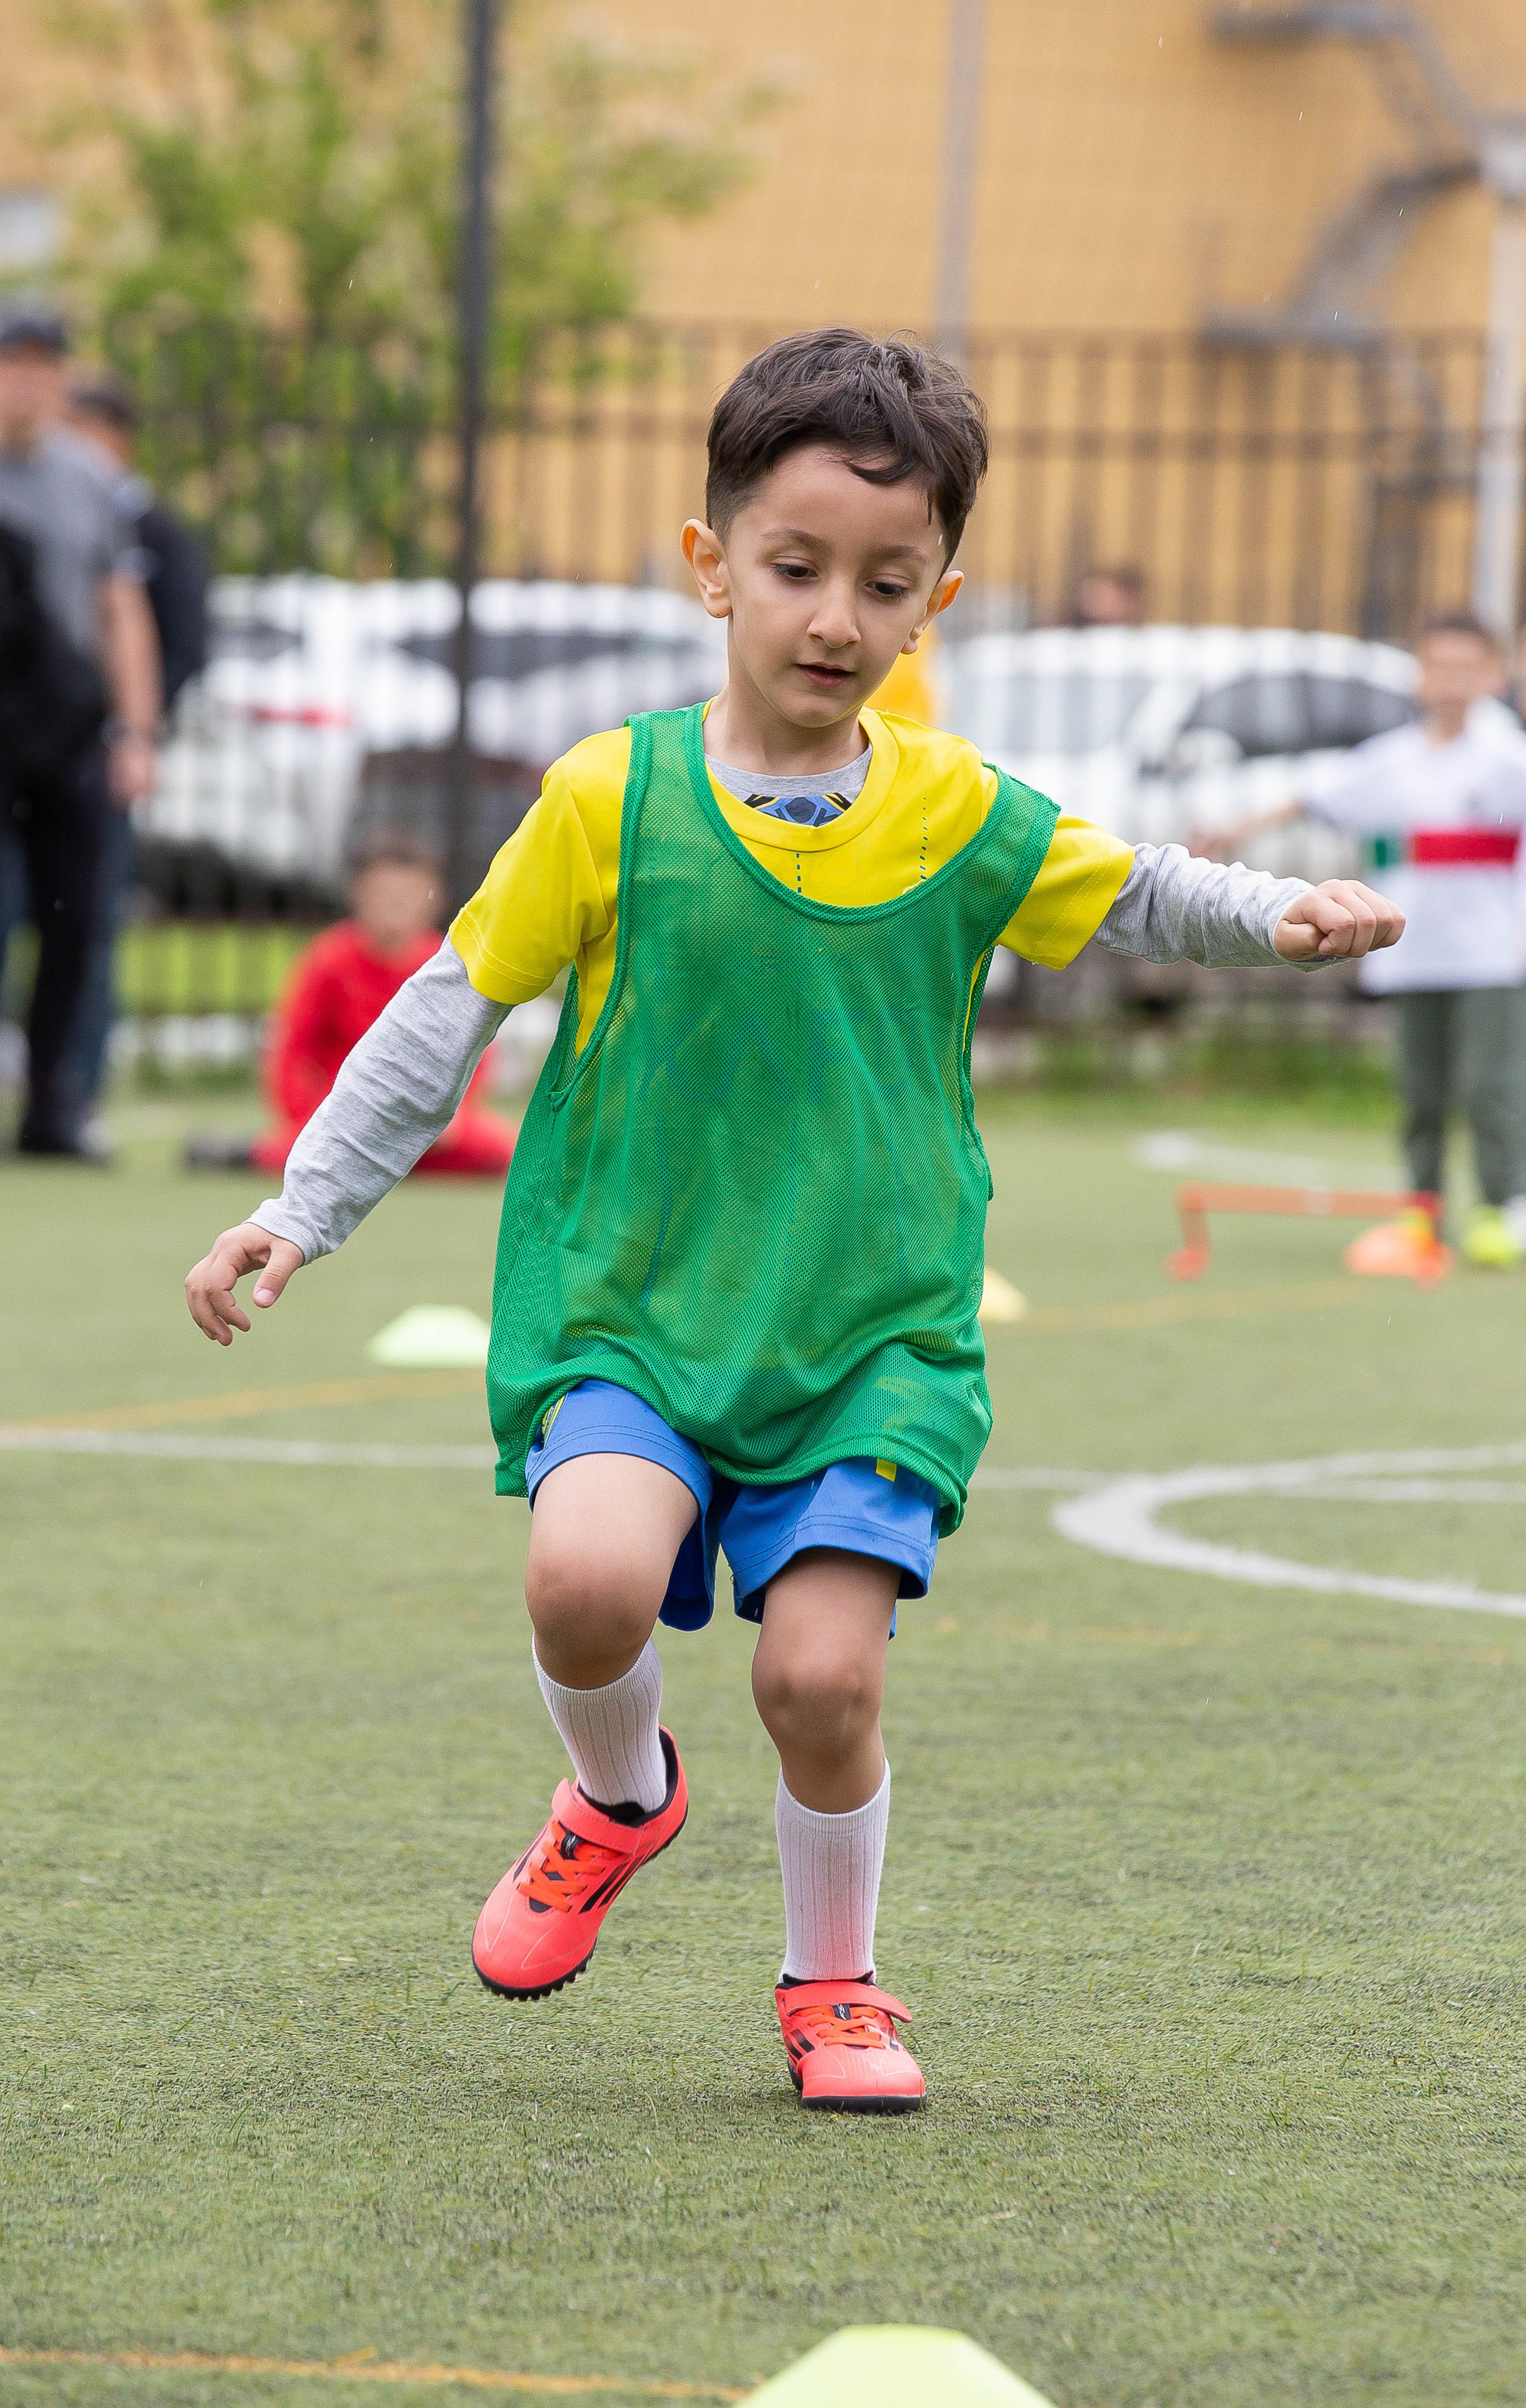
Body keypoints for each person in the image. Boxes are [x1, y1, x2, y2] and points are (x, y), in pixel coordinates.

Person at [185, 330, 1402, 2113]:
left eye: (887, 585)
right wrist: (304, 1209)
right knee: (586, 1583)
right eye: (799, 568)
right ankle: (616, 1796)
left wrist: (1275, 912)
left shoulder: (958, 811)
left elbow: (1130, 884)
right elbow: (447, 1006)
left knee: (822, 1684)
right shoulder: (615, 795)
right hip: (637, 1314)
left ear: (939, 603)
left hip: (871, 1335)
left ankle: (834, 1989)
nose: (839, 616)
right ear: (712, 566)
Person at [1208, 609, 1526, 1270]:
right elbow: (1307, 797)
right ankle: (1422, 1214)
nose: (1451, 681)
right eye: (1439, 666)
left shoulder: (1507, 758)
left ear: (1494, 676)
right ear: (1418, 674)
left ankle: (1502, 1210)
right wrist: (1227, 836)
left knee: (1493, 1085)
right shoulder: (1390, 760)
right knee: (1420, 1090)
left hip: (1492, 953)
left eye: (1467, 668)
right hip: (1411, 954)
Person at [0, 301, 162, 1157]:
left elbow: (121, 609)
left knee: (73, 918)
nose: (26, 381)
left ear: (61, 378)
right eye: (11, 363)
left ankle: (52, 1104)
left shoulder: (91, 480)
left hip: (68, 727)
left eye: (43, 364)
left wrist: (137, 731)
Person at [187, 831, 516, 1177]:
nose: (396, 906)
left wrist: (456, 1115)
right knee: (300, 1151)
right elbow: (291, 1052)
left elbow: (477, 1052)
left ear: (433, 899)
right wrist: (309, 1116)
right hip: (344, 1111)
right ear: (358, 896)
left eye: (407, 895)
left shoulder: (447, 963)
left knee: (497, 1150)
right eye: (385, 895)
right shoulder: (328, 959)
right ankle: (238, 1154)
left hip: (426, 1120)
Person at [62, 369, 212, 1125]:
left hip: (104, 755)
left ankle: (75, 1089)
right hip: (31, 752)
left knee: (89, 924)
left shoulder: (159, 536)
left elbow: (183, 643)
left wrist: (131, 724)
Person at [1070, 563, 1146, 627]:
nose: (1091, 600)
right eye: (1086, 594)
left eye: (1100, 594)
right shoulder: (1065, 637)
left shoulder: (1151, 639)